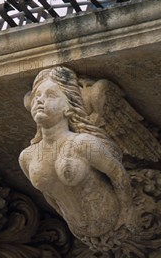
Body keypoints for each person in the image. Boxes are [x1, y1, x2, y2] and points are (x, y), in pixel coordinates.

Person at [19, 67, 132, 242]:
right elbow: (50, 196)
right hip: (79, 231)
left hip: (118, 223)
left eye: (50, 95)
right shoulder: (28, 156)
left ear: (68, 107)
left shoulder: (82, 143)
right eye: (37, 96)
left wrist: (127, 212)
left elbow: (118, 173)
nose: (40, 100)